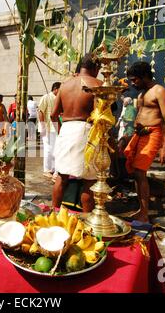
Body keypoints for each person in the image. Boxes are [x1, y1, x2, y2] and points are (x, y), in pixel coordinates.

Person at [50, 54, 102, 212]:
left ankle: (53, 214)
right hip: (86, 131)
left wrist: (60, 131)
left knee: (62, 177)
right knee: (89, 181)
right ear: (96, 68)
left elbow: (53, 115)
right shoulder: (98, 84)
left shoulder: (65, 85)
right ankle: (88, 221)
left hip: (66, 130)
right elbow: (101, 116)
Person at [124, 61, 165, 223]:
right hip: (139, 134)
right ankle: (141, 209)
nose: (132, 83)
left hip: (153, 134)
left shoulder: (159, 91)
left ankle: (144, 213)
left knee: (139, 172)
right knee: (136, 174)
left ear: (145, 76)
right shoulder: (141, 94)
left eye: (135, 79)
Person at [39, 82, 61, 180]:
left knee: (55, 148)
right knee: (48, 149)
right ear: (55, 89)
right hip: (47, 126)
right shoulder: (46, 97)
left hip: (55, 126)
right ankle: (47, 170)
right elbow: (41, 111)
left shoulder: (59, 98)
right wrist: (42, 126)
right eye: (60, 89)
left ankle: (52, 168)